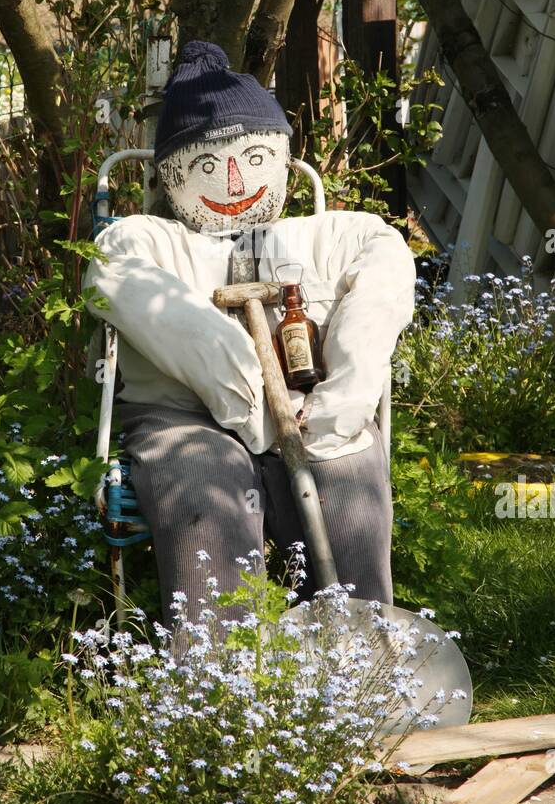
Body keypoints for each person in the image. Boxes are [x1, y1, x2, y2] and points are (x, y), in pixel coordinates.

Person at [84, 40, 417, 625]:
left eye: (255, 158)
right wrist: (241, 385)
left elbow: (384, 275)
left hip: (314, 409)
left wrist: (347, 392)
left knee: (348, 466)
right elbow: (115, 279)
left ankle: (358, 657)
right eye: (208, 167)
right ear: (171, 176)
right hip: (181, 416)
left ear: (283, 157)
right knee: (203, 478)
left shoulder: (333, 236)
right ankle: (220, 679)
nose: (235, 181)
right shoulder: (144, 241)